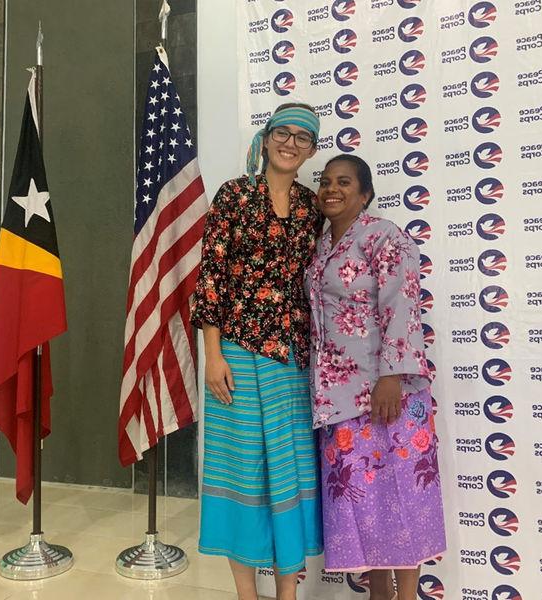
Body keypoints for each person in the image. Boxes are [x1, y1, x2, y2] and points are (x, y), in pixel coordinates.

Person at [190, 104, 324, 600]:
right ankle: (248, 595)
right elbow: (212, 278)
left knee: (287, 470)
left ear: (311, 149)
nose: (291, 144)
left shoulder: (312, 207)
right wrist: (212, 354)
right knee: (241, 470)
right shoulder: (235, 195)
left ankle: (287, 593)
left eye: (303, 139)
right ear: (266, 140)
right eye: (283, 134)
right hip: (237, 354)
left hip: (291, 361)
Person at [305, 155, 446, 600]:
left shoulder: (386, 237)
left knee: (402, 498)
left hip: (388, 394)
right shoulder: (320, 246)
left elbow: (403, 306)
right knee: (365, 508)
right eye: (326, 181)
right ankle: (378, 595)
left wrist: (391, 376)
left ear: (364, 194)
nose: (332, 189)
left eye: (344, 182)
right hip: (337, 399)